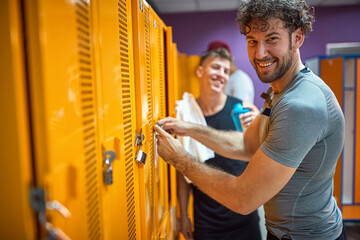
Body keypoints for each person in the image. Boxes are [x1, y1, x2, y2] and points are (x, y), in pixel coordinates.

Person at [154, 0, 346, 239]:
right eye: (252, 41)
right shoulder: (278, 91)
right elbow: (246, 146)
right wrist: (190, 129)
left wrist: (179, 159)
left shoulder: (300, 105)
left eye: (272, 39)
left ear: (297, 38)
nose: (259, 53)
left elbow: (243, 198)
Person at [175, 48, 261, 240]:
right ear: (200, 72)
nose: (221, 75)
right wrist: (184, 215)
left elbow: (259, 152)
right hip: (207, 219)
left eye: (225, 71)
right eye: (216, 68)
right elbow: (183, 169)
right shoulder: (188, 115)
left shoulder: (241, 110)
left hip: (243, 214)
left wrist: (259, 124)